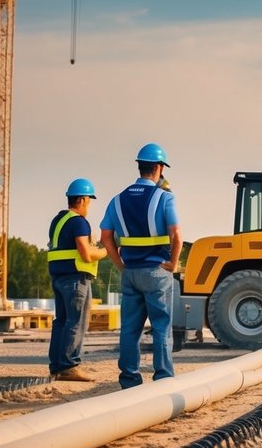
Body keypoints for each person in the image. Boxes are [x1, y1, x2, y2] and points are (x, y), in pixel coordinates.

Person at [100, 143, 183, 389]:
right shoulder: (165, 197)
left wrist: (121, 266)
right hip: (158, 271)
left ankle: (129, 380)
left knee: (129, 330)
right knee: (161, 327)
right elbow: (176, 235)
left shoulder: (117, 200)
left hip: (131, 272)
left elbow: (106, 238)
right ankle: (163, 378)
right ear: (158, 168)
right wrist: (173, 263)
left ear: (139, 166)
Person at [47, 178, 107, 382]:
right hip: (75, 279)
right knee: (76, 321)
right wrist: (105, 251)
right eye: (89, 200)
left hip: (58, 277)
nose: (89, 205)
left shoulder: (58, 220)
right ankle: (69, 366)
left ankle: (56, 366)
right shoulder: (79, 222)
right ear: (81, 199)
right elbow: (85, 253)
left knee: (61, 321)